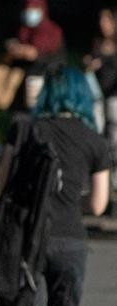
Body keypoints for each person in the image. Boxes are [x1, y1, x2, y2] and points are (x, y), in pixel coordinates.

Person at [0, 68, 111, 306]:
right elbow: (98, 205)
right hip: (71, 240)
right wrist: (67, 200)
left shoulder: (24, 129)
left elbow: (4, 186)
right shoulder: (95, 141)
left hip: (27, 237)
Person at [4, 0, 65, 113]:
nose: (29, 11)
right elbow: (7, 57)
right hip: (19, 89)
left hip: (45, 84)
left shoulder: (53, 32)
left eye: (33, 8)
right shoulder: (22, 31)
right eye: (27, 8)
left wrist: (34, 54)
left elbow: (56, 59)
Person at [85, 4, 117, 211]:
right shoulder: (96, 43)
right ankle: (101, 186)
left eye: (106, 20)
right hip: (98, 96)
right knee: (99, 139)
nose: (102, 24)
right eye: (101, 20)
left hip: (114, 98)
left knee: (115, 140)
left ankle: (114, 182)